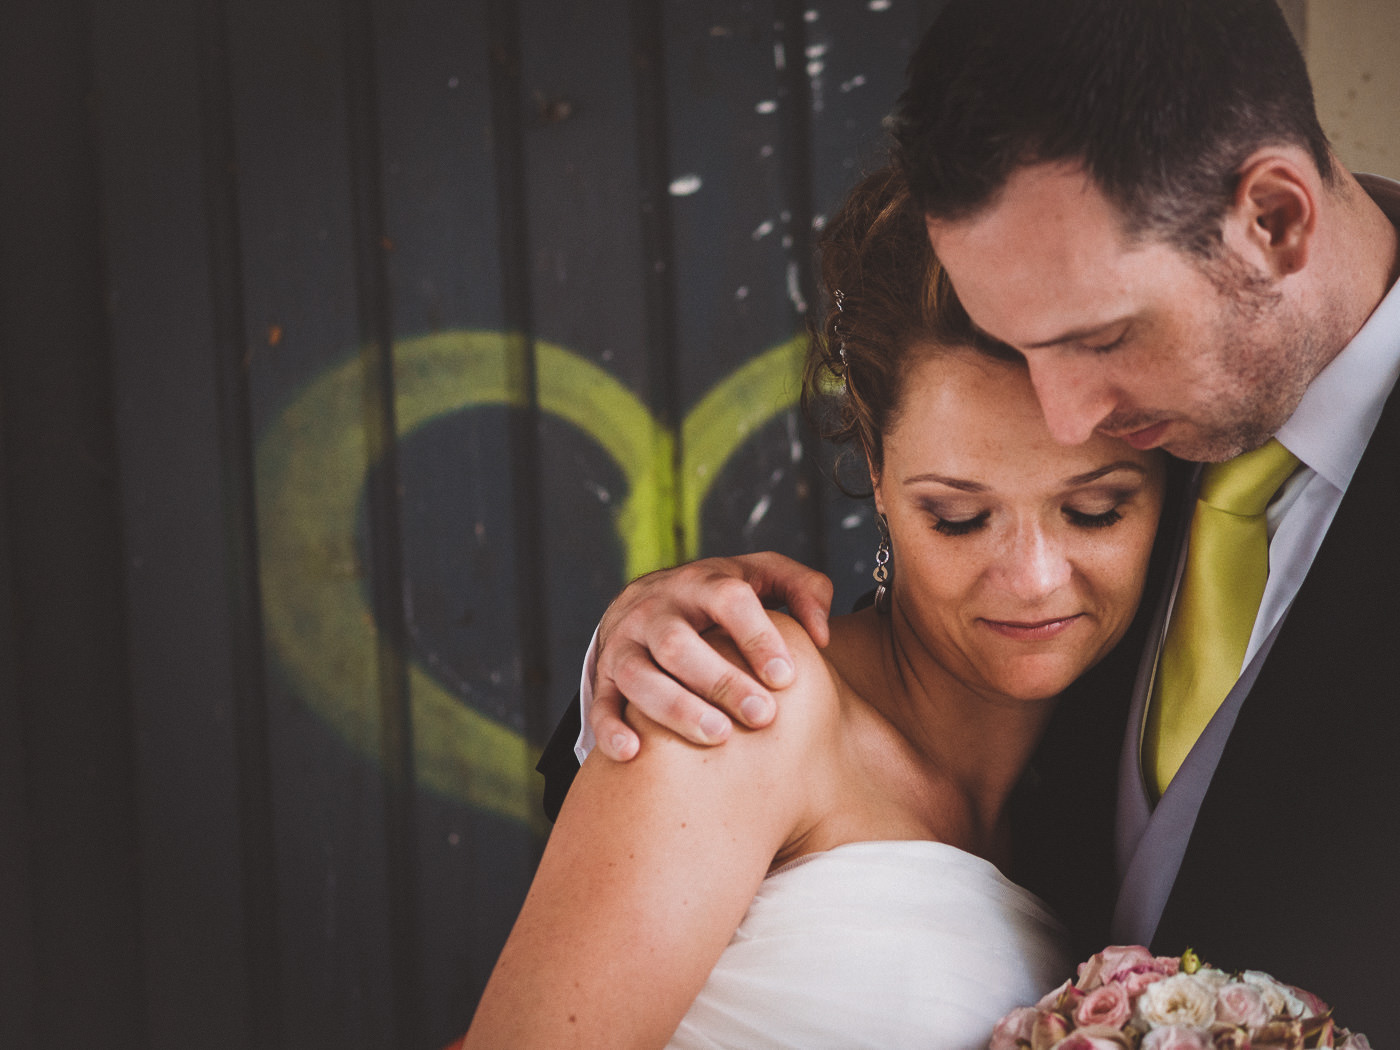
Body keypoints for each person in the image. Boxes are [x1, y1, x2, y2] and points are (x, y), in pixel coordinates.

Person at [538, 0, 1400, 1036]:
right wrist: (641, 652)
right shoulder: (1135, 407)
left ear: (1272, 219)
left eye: (1094, 503)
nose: (1066, 414)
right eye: (953, 514)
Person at [465, 167, 1168, 1048]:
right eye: (957, 516)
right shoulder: (747, 705)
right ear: (875, 468)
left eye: (1095, 510)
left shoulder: (1120, 777)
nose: (1032, 576)